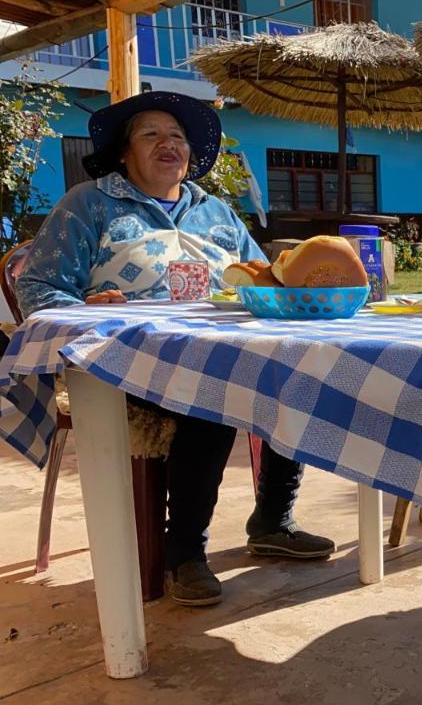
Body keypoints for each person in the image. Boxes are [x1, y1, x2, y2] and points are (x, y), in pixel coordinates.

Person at [16, 91, 334, 607]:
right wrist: (90, 307)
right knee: (208, 399)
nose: (169, 144)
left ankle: (273, 519)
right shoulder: (89, 203)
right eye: (151, 134)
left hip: (220, 349)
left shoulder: (218, 213)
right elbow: (38, 289)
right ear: (125, 152)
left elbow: (265, 282)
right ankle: (184, 554)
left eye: (178, 137)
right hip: (123, 361)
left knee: (293, 370)